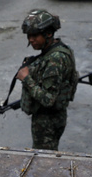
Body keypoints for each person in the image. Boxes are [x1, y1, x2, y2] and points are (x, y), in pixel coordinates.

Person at [16, 9, 78, 150]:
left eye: (35, 35)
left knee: (43, 162)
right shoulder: (57, 50)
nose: (31, 40)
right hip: (51, 118)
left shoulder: (55, 59)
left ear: (48, 34)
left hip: (47, 122)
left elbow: (48, 100)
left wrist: (26, 79)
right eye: (29, 36)